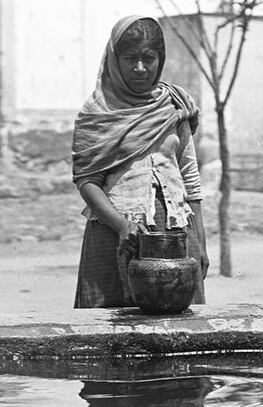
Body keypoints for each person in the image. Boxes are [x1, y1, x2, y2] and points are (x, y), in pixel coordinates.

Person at [71, 15, 208, 308]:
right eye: (129, 58)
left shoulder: (175, 104)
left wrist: (201, 241)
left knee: (181, 329)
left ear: (161, 58)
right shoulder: (97, 113)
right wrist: (121, 225)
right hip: (115, 234)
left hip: (174, 231)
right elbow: (87, 181)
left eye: (149, 58)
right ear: (114, 59)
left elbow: (190, 176)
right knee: (108, 334)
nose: (140, 68)